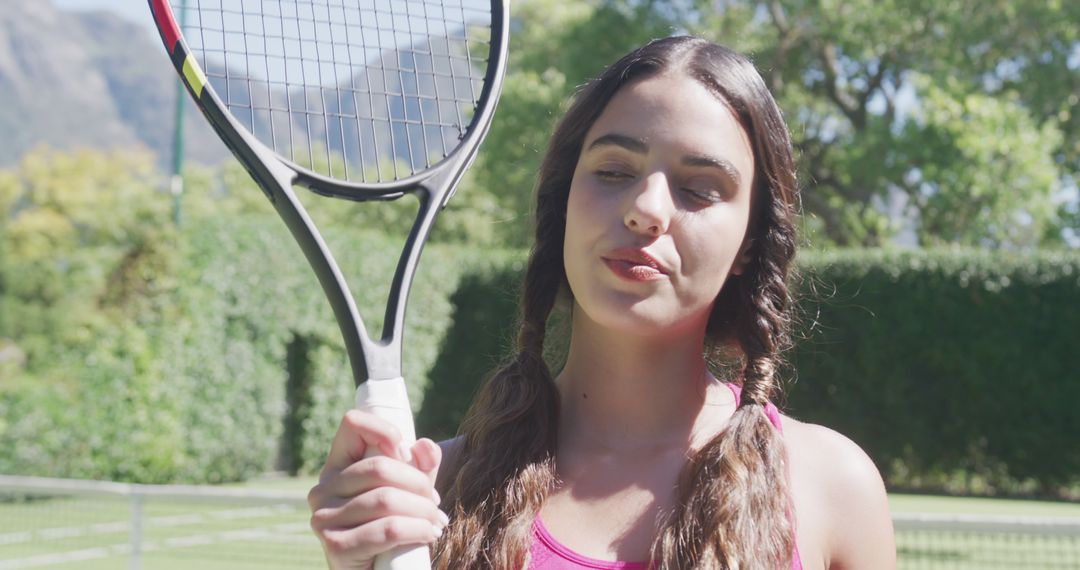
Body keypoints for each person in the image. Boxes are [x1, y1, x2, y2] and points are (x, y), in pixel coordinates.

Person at [308, 36, 896, 569]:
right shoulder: (427, 497)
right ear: (565, 201)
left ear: (749, 242)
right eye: (613, 171)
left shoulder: (832, 489)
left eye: (698, 189)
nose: (647, 208)